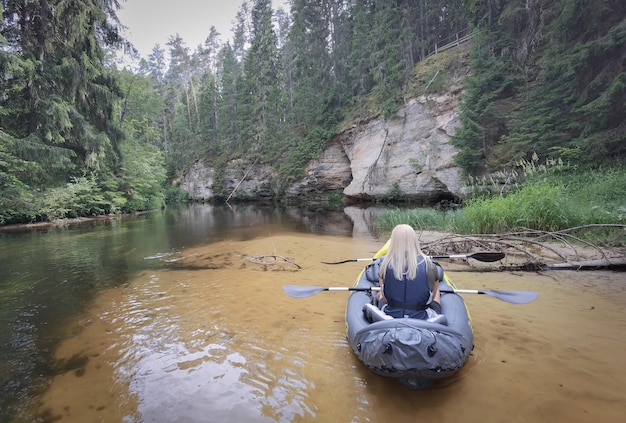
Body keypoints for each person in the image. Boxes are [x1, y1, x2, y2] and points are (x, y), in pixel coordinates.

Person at [376, 224, 441, 319]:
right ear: (414, 241)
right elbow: (430, 299)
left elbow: (386, 298)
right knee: (438, 293)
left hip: (391, 317)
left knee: (380, 295)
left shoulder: (384, 265)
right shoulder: (429, 265)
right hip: (422, 318)